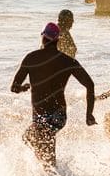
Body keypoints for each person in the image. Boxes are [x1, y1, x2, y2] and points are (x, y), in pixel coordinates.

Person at [10, 23, 96, 167]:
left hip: (42, 116)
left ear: (43, 37)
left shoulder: (31, 58)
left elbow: (14, 87)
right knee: (30, 138)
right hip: (59, 115)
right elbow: (90, 85)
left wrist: (23, 88)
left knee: (40, 143)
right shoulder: (67, 61)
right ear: (57, 40)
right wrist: (89, 113)